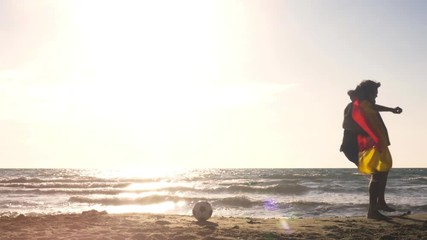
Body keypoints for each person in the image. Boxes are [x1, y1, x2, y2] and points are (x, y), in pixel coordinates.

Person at [340, 80, 402, 220]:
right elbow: (349, 125)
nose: (376, 96)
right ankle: (372, 211)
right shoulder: (355, 106)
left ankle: (380, 203)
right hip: (354, 146)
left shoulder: (365, 105)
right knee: (377, 173)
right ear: (368, 93)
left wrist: (391, 110)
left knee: (383, 170)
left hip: (365, 145)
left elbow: (374, 107)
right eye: (375, 93)